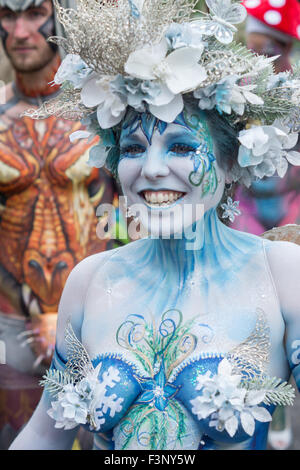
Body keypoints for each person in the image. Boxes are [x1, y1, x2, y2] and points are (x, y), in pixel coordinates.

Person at [10, 0, 300, 450]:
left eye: (181, 147)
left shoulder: (281, 275)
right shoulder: (90, 280)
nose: (151, 169)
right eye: (132, 149)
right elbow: (44, 437)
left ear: (229, 162)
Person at [0, 0, 117, 449]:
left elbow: (134, 218)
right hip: (11, 326)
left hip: (99, 316)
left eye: (33, 13)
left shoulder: (103, 111)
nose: (20, 31)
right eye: (7, 16)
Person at [233, 0, 300, 235]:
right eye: (252, 51)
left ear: (288, 48)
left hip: (291, 206)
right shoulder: (237, 90)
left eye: (269, 52)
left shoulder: (296, 91)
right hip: (245, 208)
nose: (263, 62)